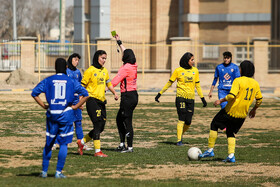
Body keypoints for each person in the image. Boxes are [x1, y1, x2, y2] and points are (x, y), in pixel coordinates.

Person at [31, 58, 89, 178]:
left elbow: (34, 93)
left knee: (49, 143)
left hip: (52, 114)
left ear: (55, 68)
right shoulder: (71, 81)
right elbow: (86, 94)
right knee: (63, 144)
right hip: (66, 114)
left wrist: (44, 106)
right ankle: (58, 172)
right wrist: (75, 107)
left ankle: (44, 172)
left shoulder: (48, 80)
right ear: (67, 67)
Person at [199, 60, 262, 163]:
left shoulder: (238, 80)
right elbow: (259, 99)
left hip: (230, 111)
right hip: (242, 115)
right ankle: (231, 156)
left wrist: (220, 100)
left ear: (243, 70)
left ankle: (210, 150)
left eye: (240, 68)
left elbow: (231, 95)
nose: (239, 70)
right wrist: (254, 109)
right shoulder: (255, 83)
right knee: (230, 131)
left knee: (214, 124)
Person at [155, 52, 207, 146]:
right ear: (186, 61)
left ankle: (180, 134)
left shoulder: (195, 71)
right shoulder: (178, 71)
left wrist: (202, 98)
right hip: (181, 97)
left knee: (188, 121)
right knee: (182, 117)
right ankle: (179, 140)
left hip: (191, 98)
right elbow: (169, 83)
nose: (193, 61)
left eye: (193, 59)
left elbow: (198, 85)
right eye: (192, 60)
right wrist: (160, 93)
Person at [77, 50, 119, 157]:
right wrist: (80, 102)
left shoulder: (105, 71)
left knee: (101, 127)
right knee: (97, 124)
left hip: (101, 101)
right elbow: (82, 87)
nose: (104, 60)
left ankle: (81, 142)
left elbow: (108, 83)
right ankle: (97, 151)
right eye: (102, 58)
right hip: (91, 100)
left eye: (105, 58)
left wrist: (114, 93)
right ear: (97, 58)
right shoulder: (89, 71)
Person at [52, 53, 91, 153]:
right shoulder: (65, 71)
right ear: (70, 60)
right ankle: (55, 142)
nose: (77, 62)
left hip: (76, 101)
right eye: (75, 60)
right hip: (67, 101)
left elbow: (80, 87)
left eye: (78, 60)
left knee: (78, 123)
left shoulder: (78, 72)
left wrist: (80, 100)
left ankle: (81, 143)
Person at [111, 33, 138, 153]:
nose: (122, 54)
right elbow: (126, 51)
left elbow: (114, 82)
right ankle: (122, 143)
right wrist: (119, 42)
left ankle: (130, 147)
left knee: (127, 121)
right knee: (119, 119)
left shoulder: (125, 68)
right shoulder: (133, 65)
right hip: (133, 95)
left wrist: (105, 88)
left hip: (127, 96)